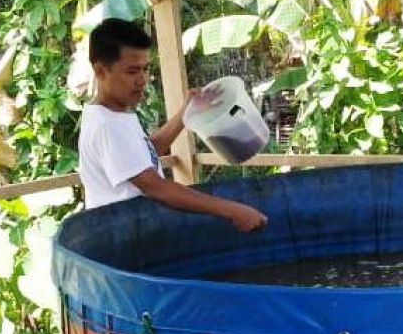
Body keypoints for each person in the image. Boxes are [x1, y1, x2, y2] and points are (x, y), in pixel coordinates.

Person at [77, 19, 267, 233]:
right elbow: (157, 188)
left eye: (145, 69)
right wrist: (233, 210)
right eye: (132, 71)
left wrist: (186, 112)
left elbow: (145, 153)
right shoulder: (107, 125)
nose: (142, 80)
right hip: (120, 239)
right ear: (101, 71)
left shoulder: (115, 115)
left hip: (133, 234)